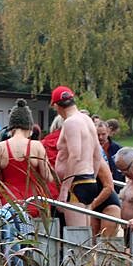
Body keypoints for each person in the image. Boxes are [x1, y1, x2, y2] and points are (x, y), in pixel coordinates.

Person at [0, 98, 53, 218]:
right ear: (29, 128)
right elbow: (47, 176)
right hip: (34, 205)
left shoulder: (1, 147)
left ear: (11, 127)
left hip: (9, 207)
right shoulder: (37, 146)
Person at [51, 85, 102, 227]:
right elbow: (97, 155)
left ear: (57, 106)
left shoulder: (70, 122)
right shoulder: (87, 120)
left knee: (76, 236)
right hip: (88, 180)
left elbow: (75, 156)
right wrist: (93, 176)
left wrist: (64, 189)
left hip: (76, 183)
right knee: (84, 234)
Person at [89, 159, 121, 238]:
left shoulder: (98, 161)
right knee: (90, 240)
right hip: (90, 201)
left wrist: (93, 205)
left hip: (108, 203)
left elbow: (109, 187)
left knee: (106, 241)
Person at [96, 121, 124, 192]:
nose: (100, 137)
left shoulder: (117, 149)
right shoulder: (89, 148)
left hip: (115, 185)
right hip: (97, 185)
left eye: (103, 134)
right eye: (98, 134)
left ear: (108, 132)